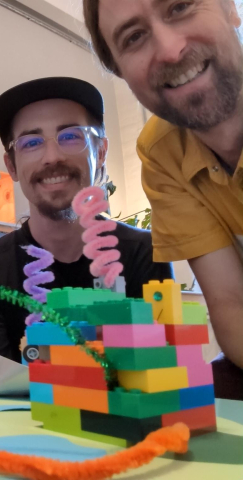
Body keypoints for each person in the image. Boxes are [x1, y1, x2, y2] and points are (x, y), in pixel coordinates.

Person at [84, 0, 243, 399]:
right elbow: (231, 304)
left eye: (180, 6)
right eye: (134, 37)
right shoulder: (161, 152)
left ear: (230, 7)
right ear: (121, 72)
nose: (171, 50)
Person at [0, 77, 173, 362]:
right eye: (31, 142)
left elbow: (157, 369)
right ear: (12, 166)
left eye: (71, 136)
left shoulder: (144, 253)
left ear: (101, 152)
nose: (52, 157)